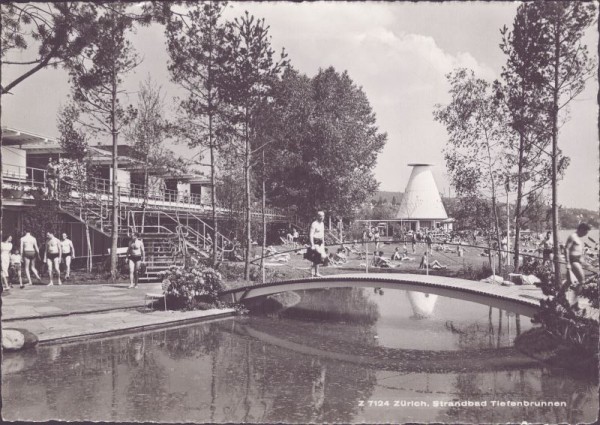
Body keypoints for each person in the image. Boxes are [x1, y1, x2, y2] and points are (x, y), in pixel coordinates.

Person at [307, 211, 326, 277]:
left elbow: (322, 234)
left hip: (321, 242)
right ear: (317, 216)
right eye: (320, 216)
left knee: (323, 256)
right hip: (315, 242)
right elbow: (311, 235)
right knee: (318, 255)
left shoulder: (322, 224)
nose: (322, 217)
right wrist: (312, 245)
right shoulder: (314, 224)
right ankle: (316, 273)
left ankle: (312, 270)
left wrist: (323, 242)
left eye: (323, 216)